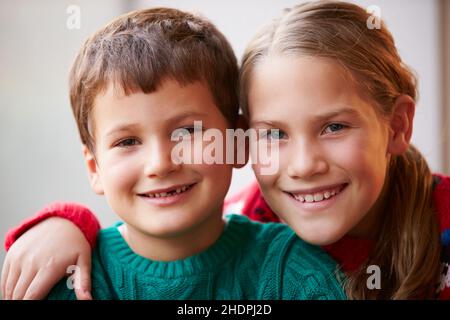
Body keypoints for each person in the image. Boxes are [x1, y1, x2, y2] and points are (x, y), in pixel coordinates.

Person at [3, 1, 450, 300]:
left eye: (333, 127)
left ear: (397, 125)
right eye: (273, 134)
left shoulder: (289, 268)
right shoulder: (257, 210)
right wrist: (66, 221)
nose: (304, 165)